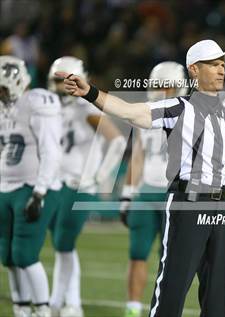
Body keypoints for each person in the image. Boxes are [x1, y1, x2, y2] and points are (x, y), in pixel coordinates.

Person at [55, 39, 225, 317]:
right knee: (172, 290)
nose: (221, 70)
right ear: (194, 70)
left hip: (222, 206)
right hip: (188, 201)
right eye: (213, 64)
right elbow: (130, 112)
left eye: (223, 64)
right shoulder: (178, 108)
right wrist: (90, 92)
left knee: (218, 298)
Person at [47, 56, 126, 317]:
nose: (61, 86)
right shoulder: (50, 107)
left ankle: (70, 303)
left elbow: (116, 141)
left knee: (65, 244)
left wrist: (99, 175)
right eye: (58, 81)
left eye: (67, 81)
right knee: (60, 246)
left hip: (77, 185)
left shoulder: (86, 109)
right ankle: (59, 302)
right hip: (53, 184)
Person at [119, 61, 187, 317]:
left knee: (172, 259)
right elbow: (137, 157)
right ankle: (133, 307)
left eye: (168, 86)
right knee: (137, 252)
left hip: (176, 193)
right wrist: (127, 196)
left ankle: (167, 308)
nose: (162, 91)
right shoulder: (144, 113)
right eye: (158, 85)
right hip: (146, 193)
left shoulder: (189, 113)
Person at [0, 55, 62, 317]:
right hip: (4, 187)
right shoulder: (3, 108)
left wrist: (39, 192)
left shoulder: (36, 102)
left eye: (2, 87)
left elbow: (51, 150)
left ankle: (43, 310)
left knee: (25, 254)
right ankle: (21, 308)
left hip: (30, 187)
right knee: (7, 257)